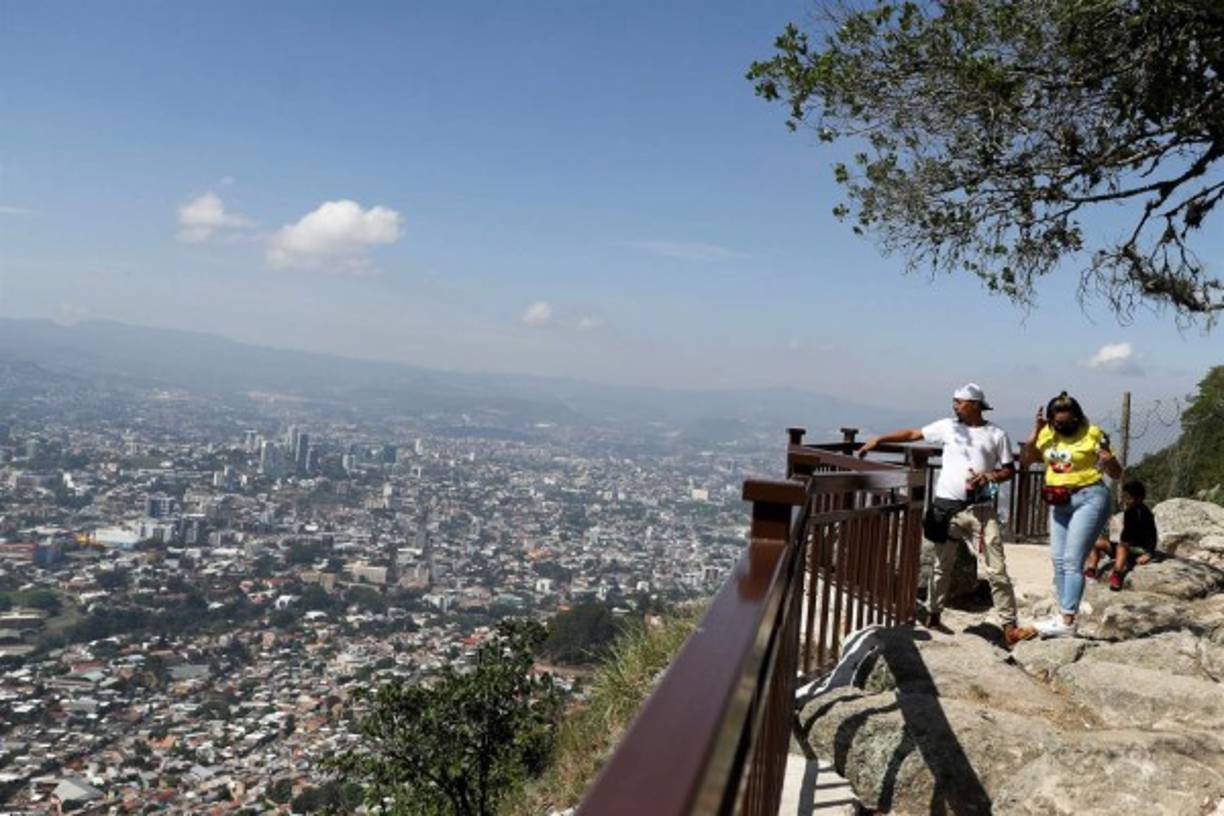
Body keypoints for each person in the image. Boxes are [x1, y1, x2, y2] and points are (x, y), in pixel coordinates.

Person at [857, 383, 1037, 647]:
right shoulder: (947, 427)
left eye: (960, 402)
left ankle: (1009, 627)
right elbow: (913, 433)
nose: (954, 406)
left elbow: (1009, 470)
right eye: (954, 401)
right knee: (942, 565)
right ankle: (934, 615)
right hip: (945, 507)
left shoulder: (996, 434)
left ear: (975, 404)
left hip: (980, 510)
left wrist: (989, 476)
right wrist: (880, 440)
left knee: (996, 568)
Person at [1020, 392, 1123, 637]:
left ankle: (1067, 620)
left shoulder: (1094, 434)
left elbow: (1116, 473)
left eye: (1067, 423)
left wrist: (1108, 460)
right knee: (1057, 559)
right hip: (1059, 501)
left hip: (1089, 497)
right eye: (1057, 423)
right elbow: (1026, 460)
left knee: (1072, 560)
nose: (1062, 427)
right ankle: (1063, 613)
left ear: (1077, 418)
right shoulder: (1047, 433)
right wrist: (1036, 430)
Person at [1084, 480, 1159, 591]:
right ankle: (1091, 569)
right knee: (1096, 542)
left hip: (1138, 550)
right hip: (1123, 548)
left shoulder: (1145, 513)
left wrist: (1148, 554)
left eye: (1128, 498)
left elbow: (1153, 536)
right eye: (1125, 497)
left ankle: (1117, 574)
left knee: (1122, 546)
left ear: (1139, 498)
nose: (1125, 500)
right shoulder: (1129, 511)